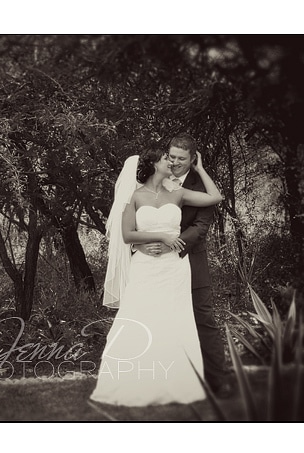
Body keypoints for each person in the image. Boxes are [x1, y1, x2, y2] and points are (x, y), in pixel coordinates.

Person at [90, 146, 222, 407]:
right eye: (165, 158)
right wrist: (160, 236)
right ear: (153, 165)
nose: (170, 162)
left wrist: (200, 169)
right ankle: (137, 380)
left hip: (175, 268)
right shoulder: (135, 196)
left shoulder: (178, 193)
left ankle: (176, 382)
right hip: (145, 267)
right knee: (141, 317)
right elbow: (127, 234)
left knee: (175, 320)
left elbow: (215, 197)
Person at [134, 133, 233, 398]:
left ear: (192, 159)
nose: (175, 163)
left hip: (191, 260)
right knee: (160, 320)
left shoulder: (201, 186)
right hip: (155, 264)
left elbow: (201, 227)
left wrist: (173, 244)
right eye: (172, 157)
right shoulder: (155, 180)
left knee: (203, 319)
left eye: (182, 159)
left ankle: (217, 381)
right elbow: (135, 222)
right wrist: (140, 246)